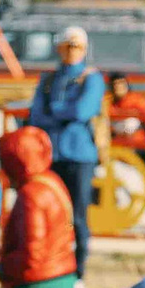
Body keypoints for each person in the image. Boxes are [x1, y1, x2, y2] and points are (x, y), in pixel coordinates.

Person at [0, 124, 79, 288]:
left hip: (39, 285)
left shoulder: (31, 194)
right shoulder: (52, 181)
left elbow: (33, 249)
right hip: (63, 275)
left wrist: (6, 268)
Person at [29, 28, 105, 271]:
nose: (72, 52)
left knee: (79, 216)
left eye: (77, 47)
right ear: (59, 48)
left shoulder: (91, 78)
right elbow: (37, 115)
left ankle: (79, 270)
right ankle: (52, 266)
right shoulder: (49, 79)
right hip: (51, 156)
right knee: (50, 214)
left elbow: (84, 110)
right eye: (68, 46)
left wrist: (55, 110)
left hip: (79, 157)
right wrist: (64, 114)